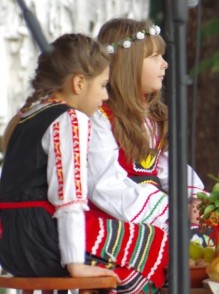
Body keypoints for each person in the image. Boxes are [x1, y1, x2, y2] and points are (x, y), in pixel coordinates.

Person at [0, 34, 169, 293]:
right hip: (43, 241)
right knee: (155, 240)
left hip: (9, 243)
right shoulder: (71, 119)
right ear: (79, 83)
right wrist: (75, 263)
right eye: (103, 86)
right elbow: (69, 198)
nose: (104, 97)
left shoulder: (26, 115)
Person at [87, 17, 204, 232]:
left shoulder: (153, 117)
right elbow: (106, 186)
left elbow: (169, 170)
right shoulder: (100, 117)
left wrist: (197, 198)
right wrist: (174, 211)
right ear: (128, 64)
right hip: (113, 226)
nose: (165, 63)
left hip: (151, 222)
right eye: (154, 56)